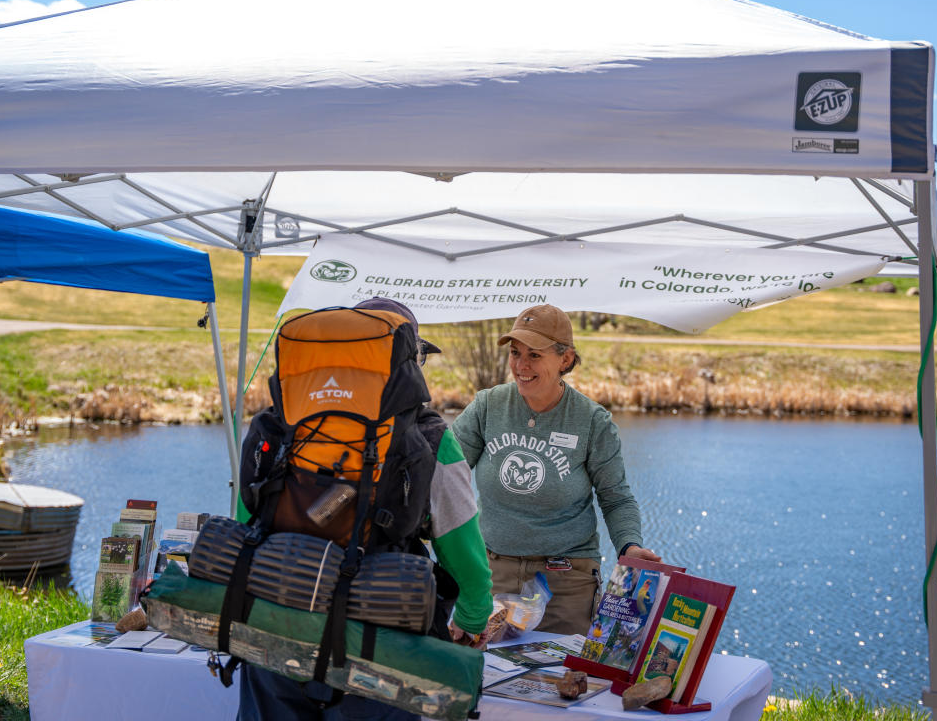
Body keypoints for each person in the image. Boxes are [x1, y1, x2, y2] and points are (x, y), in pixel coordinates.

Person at [238, 298, 493, 721]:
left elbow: (247, 521)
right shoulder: (429, 437)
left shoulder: (277, 424)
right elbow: (465, 557)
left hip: (275, 626)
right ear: (406, 359)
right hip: (379, 641)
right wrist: (472, 619)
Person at [449, 304, 659, 637]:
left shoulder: (592, 421)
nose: (521, 366)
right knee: (482, 677)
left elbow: (615, 497)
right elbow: (446, 474)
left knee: (562, 681)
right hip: (492, 577)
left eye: (534, 355)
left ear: (565, 359)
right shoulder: (488, 406)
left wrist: (629, 547)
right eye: (515, 353)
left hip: (566, 584)